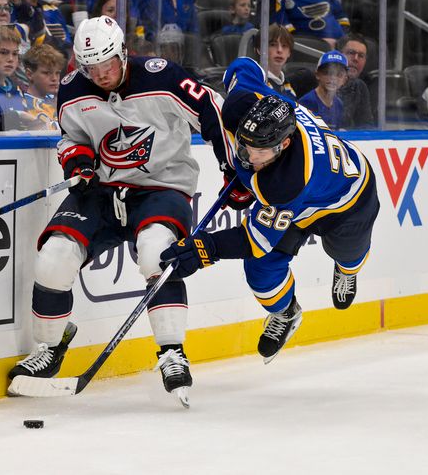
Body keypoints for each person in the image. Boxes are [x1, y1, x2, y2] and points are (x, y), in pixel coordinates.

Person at [7, 15, 227, 402]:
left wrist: (231, 163)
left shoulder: (161, 76)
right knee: (54, 257)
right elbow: (70, 138)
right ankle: (48, 348)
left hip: (162, 185)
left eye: (107, 64)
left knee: (157, 254)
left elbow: (212, 108)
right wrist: (78, 163)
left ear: (123, 53)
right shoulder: (73, 88)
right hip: (102, 189)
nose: (101, 74)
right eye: (91, 67)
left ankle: (172, 352)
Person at [161, 56, 379, 363]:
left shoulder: (285, 184)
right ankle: (286, 312)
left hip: (347, 200)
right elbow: (242, 67)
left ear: (284, 145)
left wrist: (204, 248)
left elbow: (252, 240)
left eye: (260, 151)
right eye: (246, 145)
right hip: (301, 198)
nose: (250, 156)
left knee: (346, 253)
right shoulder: (242, 105)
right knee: (260, 270)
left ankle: (347, 270)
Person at [298, 51, 347, 130]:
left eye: (339, 75)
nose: (333, 78)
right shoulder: (307, 102)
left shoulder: (339, 104)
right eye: (327, 73)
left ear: (344, 80)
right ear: (317, 74)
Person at [336, 33, 375, 129]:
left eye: (361, 56)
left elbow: (366, 126)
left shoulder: (360, 86)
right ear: (337, 54)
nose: (356, 59)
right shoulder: (312, 80)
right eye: (351, 53)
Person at [23, 41, 63, 127]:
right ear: (29, 74)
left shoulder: (58, 98)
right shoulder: (23, 103)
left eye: (57, 73)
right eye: (47, 73)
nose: (54, 78)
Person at [255, 24, 297, 100]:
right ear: (259, 50)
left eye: (284, 46)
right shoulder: (256, 83)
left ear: (289, 53)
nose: (279, 50)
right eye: (273, 45)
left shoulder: (287, 85)